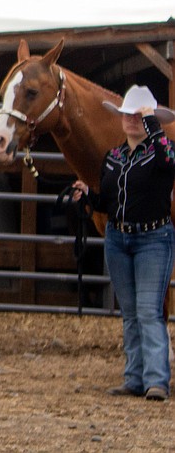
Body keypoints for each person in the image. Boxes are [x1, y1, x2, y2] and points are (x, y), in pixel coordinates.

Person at [71, 84, 175, 401]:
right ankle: (134, 377)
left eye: (138, 116)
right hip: (119, 237)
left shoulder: (163, 151)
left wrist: (152, 122)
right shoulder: (113, 157)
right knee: (130, 312)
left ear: (151, 120)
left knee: (148, 310)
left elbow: (168, 163)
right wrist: (87, 197)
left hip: (153, 238)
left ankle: (156, 380)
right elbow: (107, 202)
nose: (131, 120)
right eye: (127, 115)